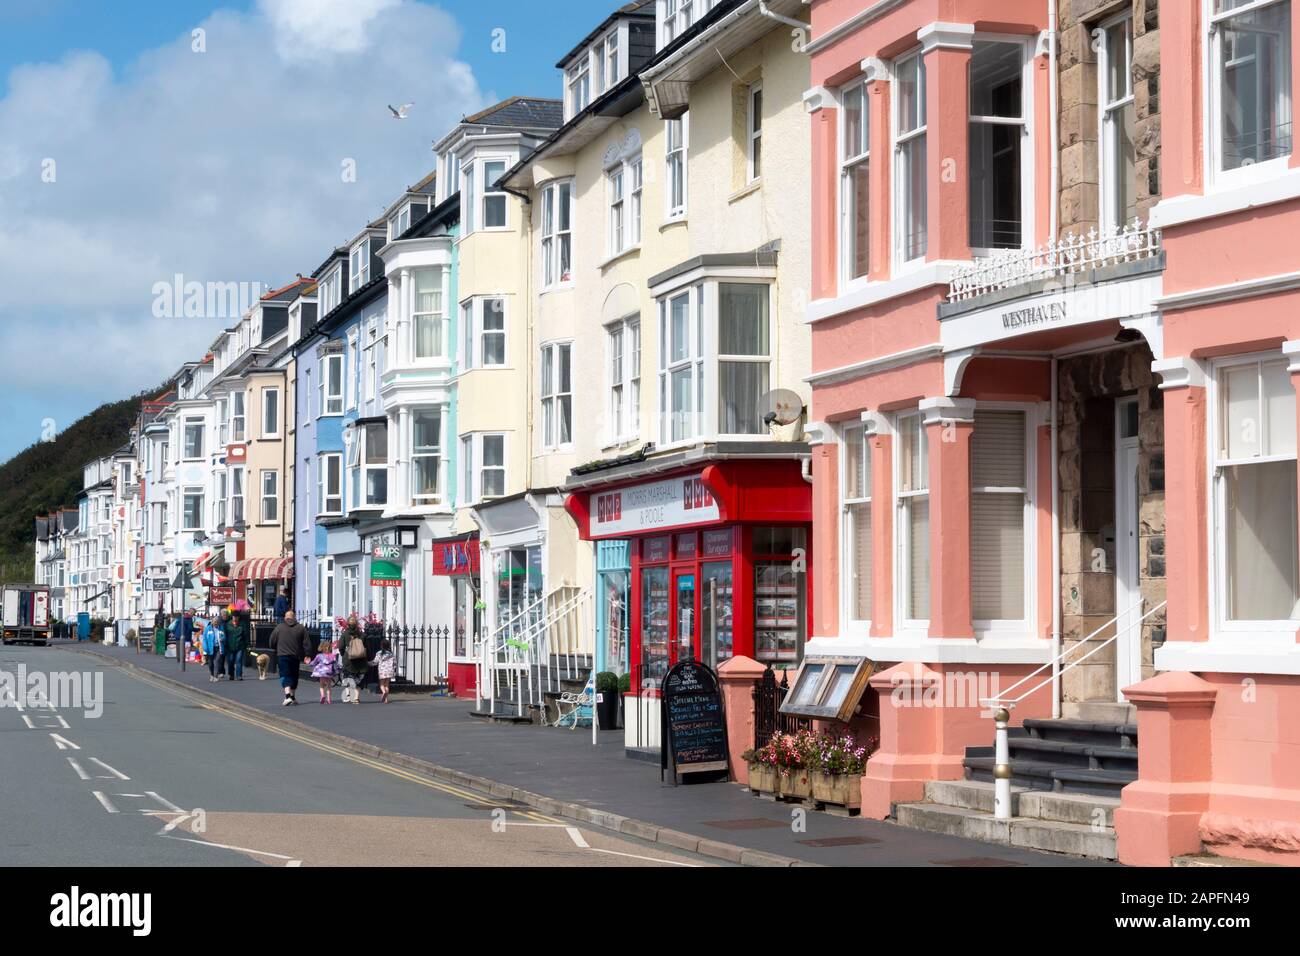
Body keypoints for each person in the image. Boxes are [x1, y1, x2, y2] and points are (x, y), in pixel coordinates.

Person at [269, 610, 312, 706]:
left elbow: (272, 641)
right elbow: (307, 643)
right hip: (295, 656)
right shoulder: (300, 628)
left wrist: (275, 648)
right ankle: (292, 697)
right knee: (294, 676)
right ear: (294, 617)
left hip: (282, 655)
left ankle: (288, 696)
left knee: (285, 674)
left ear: (285, 618)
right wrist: (308, 654)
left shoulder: (279, 627)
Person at [308, 639, 338, 704]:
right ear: (330, 648)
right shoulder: (332, 655)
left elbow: (313, 663)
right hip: (329, 672)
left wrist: (309, 662)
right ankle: (329, 699)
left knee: (321, 686)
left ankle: (322, 696)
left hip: (322, 672)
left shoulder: (319, 656)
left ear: (321, 647)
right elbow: (336, 664)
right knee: (329, 686)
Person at [369, 638, 396, 704]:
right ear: (388, 646)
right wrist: (394, 669)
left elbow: (375, 662)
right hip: (389, 671)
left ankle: (384, 692)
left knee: (381, 684)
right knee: (387, 685)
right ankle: (386, 699)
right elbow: (395, 663)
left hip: (382, 671)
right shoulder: (391, 654)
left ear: (381, 646)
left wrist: (368, 663)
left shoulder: (379, 653)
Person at [224, 610, 247, 681]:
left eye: (236, 617)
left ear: (238, 617)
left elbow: (245, 635)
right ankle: (231, 674)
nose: (235, 618)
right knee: (230, 661)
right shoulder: (228, 624)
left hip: (240, 646)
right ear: (232, 617)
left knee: (239, 661)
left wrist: (247, 645)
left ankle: (239, 675)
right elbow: (225, 635)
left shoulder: (242, 625)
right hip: (230, 646)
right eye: (234, 617)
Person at [201, 616, 225, 682]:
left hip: (218, 648)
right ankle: (211, 675)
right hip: (210, 648)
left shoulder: (221, 628)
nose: (216, 624)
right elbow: (204, 639)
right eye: (214, 623)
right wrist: (205, 648)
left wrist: (222, 639)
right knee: (211, 663)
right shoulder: (208, 629)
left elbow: (224, 637)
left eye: (217, 623)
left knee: (217, 661)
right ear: (212, 622)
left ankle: (216, 676)